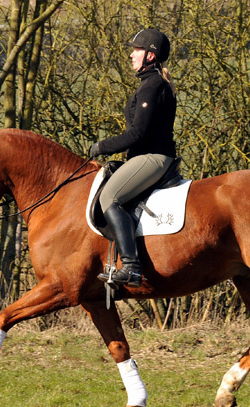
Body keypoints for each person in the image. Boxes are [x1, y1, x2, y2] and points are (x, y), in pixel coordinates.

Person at [90, 28, 177, 288]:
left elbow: (138, 133)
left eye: (136, 50)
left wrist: (102, 146)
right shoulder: (150, 83)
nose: (131, 54)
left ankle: (131, 268)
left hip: (154, 157)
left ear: (150, 55)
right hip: (146, 155)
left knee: (110, 197)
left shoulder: (153, 86)